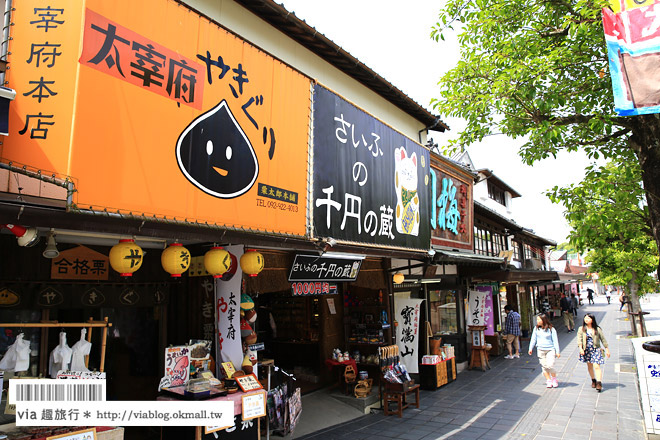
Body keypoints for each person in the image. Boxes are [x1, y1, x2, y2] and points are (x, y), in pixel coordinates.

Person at [578, 313, 610, 392]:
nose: (586, 320)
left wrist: (607, 348)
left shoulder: (597, 329)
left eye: (588, 318)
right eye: (585, 318)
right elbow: (579, 340)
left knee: (596, 366)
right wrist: (581, 349)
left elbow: (603, 339)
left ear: (592, 320)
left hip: (596, 349)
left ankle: (599, 383)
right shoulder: (581, 329)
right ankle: (593, 380)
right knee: (590, 366)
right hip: (587, 350)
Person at [528, 313, 561, 388]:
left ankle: (554, 378)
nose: (537, 321)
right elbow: (533, 339)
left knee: (550, 365)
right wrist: (530, 348)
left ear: (544, 320)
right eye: (537, 319)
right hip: (540, 349)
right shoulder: (536, 329)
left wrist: (557, 351)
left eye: (539, 319)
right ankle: (548, 380)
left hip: (550, 349)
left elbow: (555, 341)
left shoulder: (551, 329)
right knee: (544, 366)